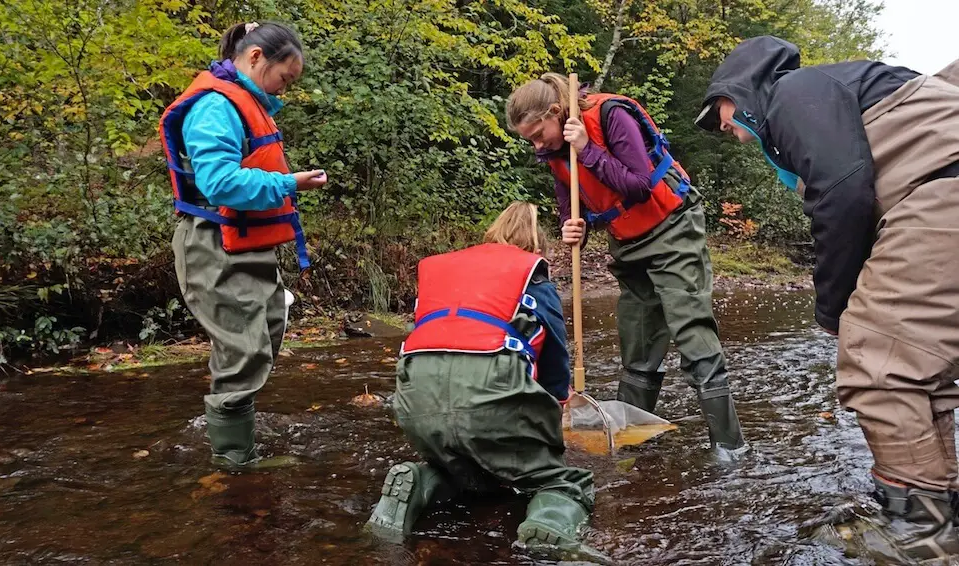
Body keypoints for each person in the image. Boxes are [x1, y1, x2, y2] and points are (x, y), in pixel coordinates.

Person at [697, 35, 959, 561]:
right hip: (936, 197)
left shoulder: (795, 90)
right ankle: (933, 506)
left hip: (939, 196)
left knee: (875, 357)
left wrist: (834, 308)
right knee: (915, 368)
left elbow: (841, 193)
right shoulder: (824, 96)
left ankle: (921, 532)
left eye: (719, 111)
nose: (721, 127)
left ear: (744, 85)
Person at [505, 73, 746, 458]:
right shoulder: (553, 151)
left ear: (555, 111)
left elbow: (638, 185)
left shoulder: (612, 116)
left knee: (691, 331)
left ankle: (730, 447)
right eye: (529, 139)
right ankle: (630, 445)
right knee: (637, 343)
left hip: (672, 227)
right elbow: (572, 204)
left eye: (538, 134)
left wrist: (586, 149)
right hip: (627, 241)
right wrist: (573, 227)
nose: (536, 145)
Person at [367, 202, 603, 561]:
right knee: (558, 480)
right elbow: (554, 360)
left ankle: (420, 481)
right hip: (489, 391)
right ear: (537, 246)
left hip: (415, 397)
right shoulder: (532, 276)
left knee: (469, 473)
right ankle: (550, 526)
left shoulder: (448, 269)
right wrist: (556, 407)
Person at [159, 21, 328, 469]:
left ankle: (234, 440)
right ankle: (235, 462)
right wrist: (289, 183)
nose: (284, 89)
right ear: (255, 58)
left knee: (264, 334)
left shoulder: (246, 102)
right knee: (244, 348)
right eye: (284, 78)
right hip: (214, 244)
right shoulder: (216, 105)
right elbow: (219, 182)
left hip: (242, 246)